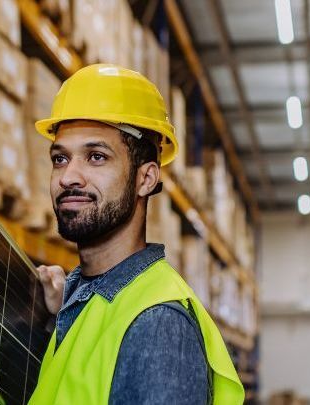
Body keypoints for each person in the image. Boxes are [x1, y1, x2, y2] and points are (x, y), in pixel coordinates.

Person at [27, 64, 244, 404]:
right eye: (60, 158)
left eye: (96, 157)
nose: (69, 176)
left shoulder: (158, 326)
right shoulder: (86, 301)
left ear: (146, 179)